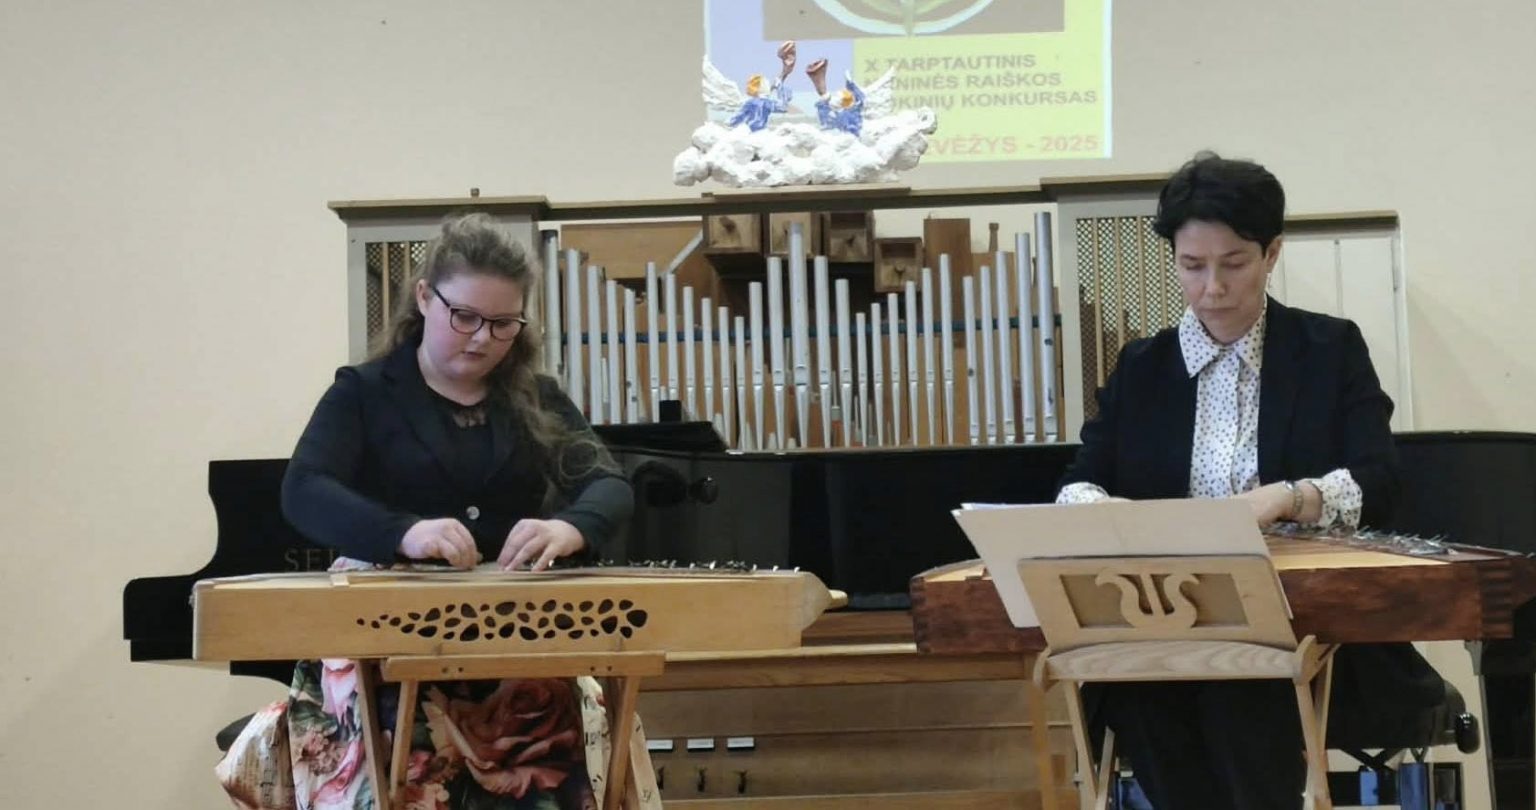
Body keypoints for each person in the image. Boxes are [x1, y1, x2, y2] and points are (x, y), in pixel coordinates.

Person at [1056, 152, 1444, 809]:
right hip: (1164, 627)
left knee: (1240, 689)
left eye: (1233, 263)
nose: (1212, 287)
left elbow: (1380, 480)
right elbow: (1080, 480)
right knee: (1144, 692)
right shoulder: (1143, 368)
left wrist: (1293, 497)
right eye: (1192, 265)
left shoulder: (1327, 350)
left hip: (1305, 626)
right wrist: (1101, 510)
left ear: (1272, 253)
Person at [269, 213, 636, 809]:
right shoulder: (364, 393)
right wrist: (404, 533)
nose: (482, 338)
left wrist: (571, 526)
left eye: (503, 324)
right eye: (464, 316)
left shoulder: (537, 398)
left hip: (513, 647)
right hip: (386, 645)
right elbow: (304, 489)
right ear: (424, 298)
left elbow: (610, 487)